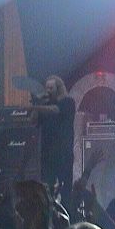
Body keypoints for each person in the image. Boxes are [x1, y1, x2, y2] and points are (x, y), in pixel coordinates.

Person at [31, 75, 76, 203]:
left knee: (65, 190)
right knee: (46, 190)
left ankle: (66, 211)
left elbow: (55, 110)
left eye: (51, 88)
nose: (48, 90)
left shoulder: (68, 102)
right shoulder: (44, 105)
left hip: (63, 155)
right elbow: (33, 121)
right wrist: (37, 104)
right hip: (47, 155)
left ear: (58, 88)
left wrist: (36, 107)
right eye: (47, 88)